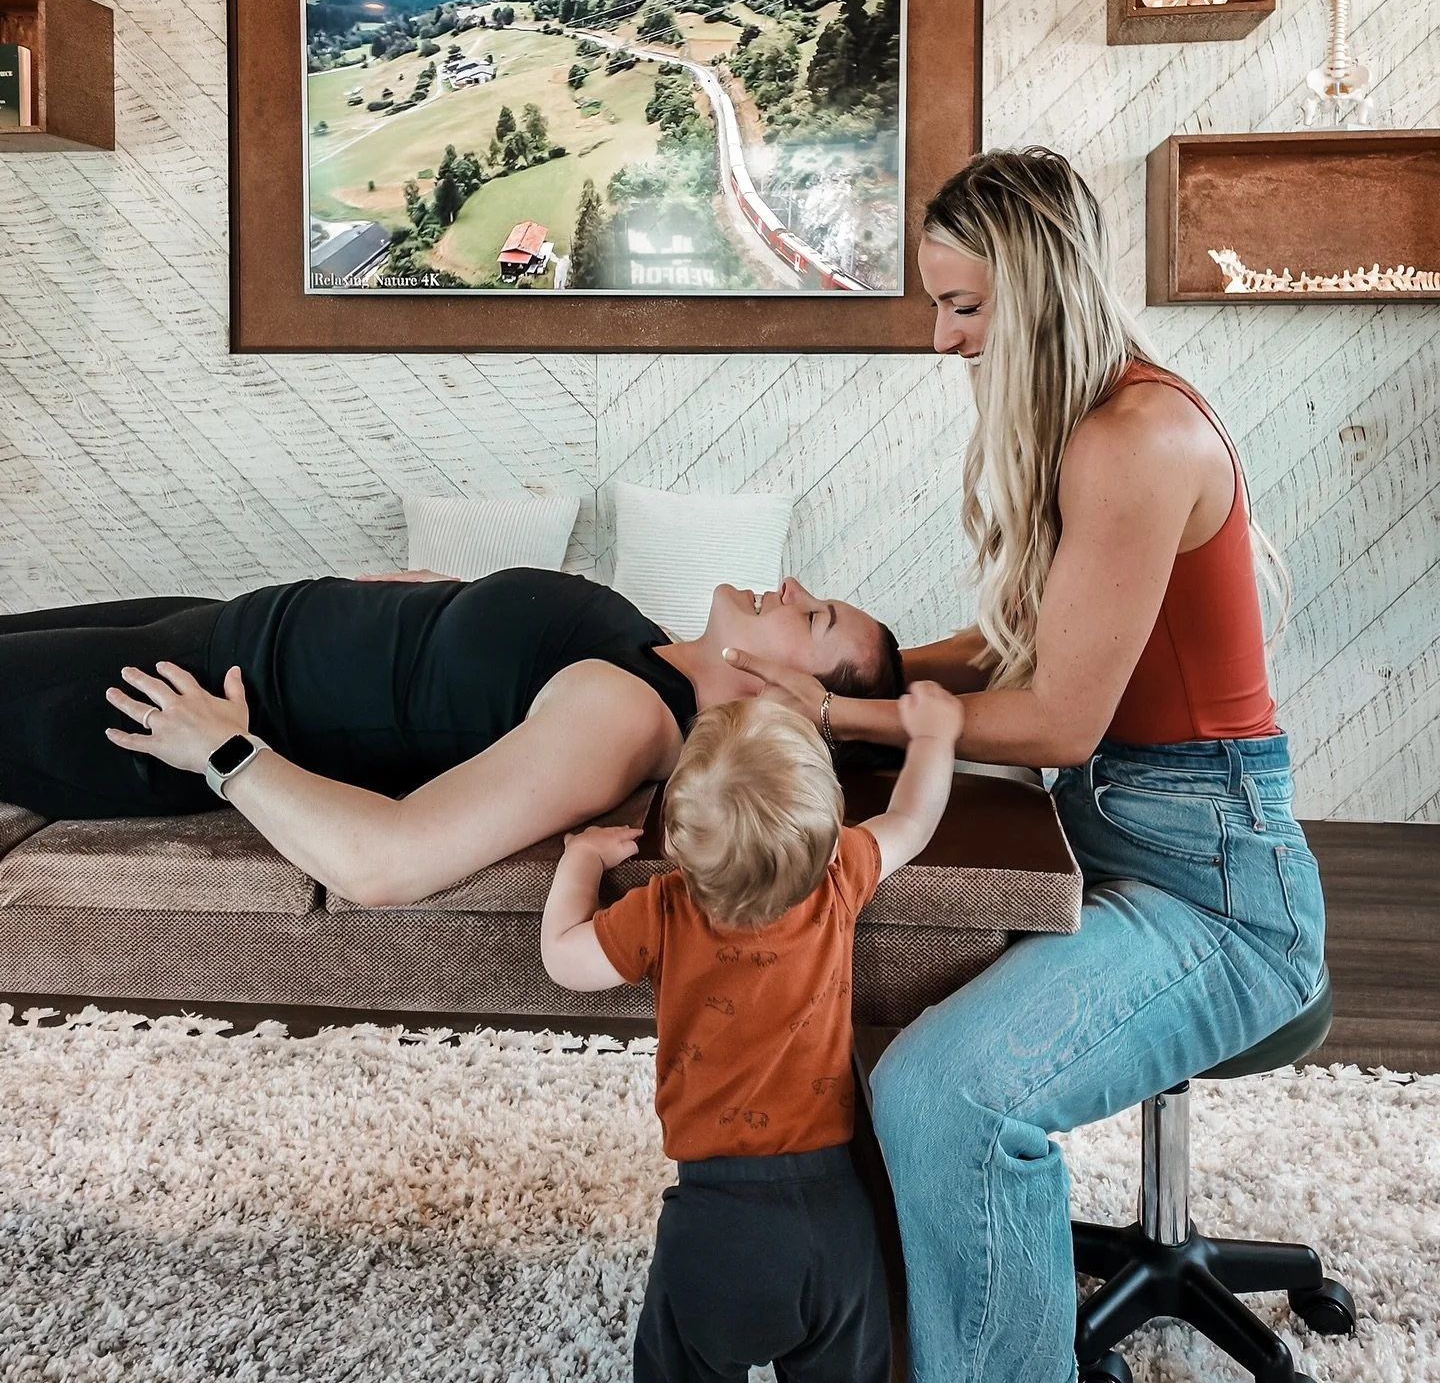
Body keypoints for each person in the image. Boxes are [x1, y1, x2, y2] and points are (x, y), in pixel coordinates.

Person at [722, 146, 1327, 1383]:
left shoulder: (1138, 437)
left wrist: (836, 723)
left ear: (1038, 290)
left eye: (964, 306)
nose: (942, 340)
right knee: (869, 984)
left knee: (948, 1097)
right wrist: (872, 672)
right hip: (1115, 835)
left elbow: (1057, 722)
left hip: (1217, 893)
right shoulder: (1089, 426)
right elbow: (1021, 645)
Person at [0, 569, 901, 906]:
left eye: (812, 615)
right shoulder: (640, 643)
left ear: (791, 696)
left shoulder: (628, 718)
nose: (789, 584)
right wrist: (427, 605)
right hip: (215, 628)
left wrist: (224, 755)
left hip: (187, 703)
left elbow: (384, 863)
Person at [540, 687, 962, 1383]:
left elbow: (563, 956)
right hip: (835, 1224)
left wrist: (582, 859)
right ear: (828, 834)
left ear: (676, 841)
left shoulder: (664, 909)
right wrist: (932, 740)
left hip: (713, 1227)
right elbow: (912, 819)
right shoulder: (839, 875)